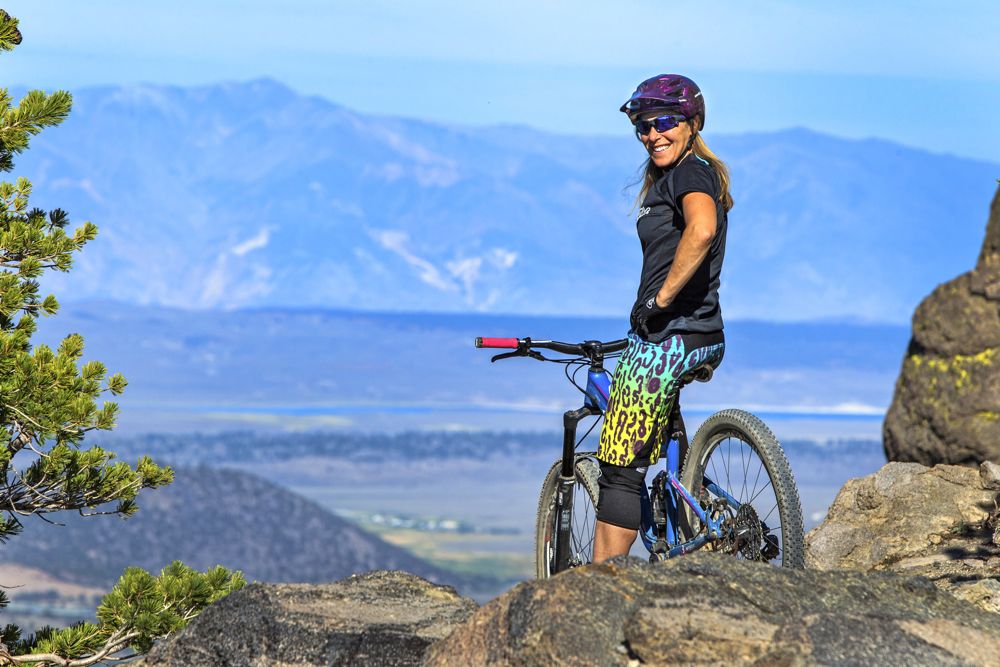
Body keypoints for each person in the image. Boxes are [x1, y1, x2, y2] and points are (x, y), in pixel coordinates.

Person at [593, 74, 734, 562]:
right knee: (657, 438)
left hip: (669, 338)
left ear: (693, 123)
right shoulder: (677, 178)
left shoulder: (690, 172)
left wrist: (660, 301)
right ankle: (683, 507)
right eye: (644, 127)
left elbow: (702, 229)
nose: (654, 134)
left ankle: (598, 587)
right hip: (700, 334)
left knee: (618, 469)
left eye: (665, 122)